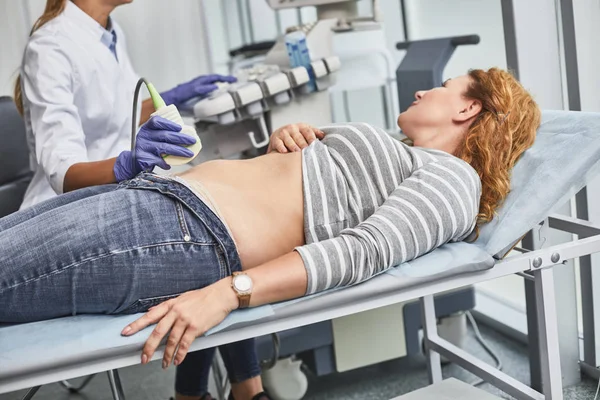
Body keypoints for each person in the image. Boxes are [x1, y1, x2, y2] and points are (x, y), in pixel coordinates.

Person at [1, 68, 541, 399]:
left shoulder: (454, 182)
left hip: (182, 232)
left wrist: (227, 292)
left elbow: (361, 252)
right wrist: (293, 139)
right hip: (163, 200)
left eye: (443, 88)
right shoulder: (405, 154)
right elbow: (314, 190)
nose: (426, 90)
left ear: (468, 107)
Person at [13, 1, 257, 399]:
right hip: (63, 221)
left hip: (114, 205)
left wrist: (177, 95)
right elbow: (63, 171)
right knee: (205, 256)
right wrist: (128, 162)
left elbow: (112, 111)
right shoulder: (50, 46)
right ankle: (226, 392)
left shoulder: (108, 32)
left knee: (218, 236)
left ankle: (224, 391)